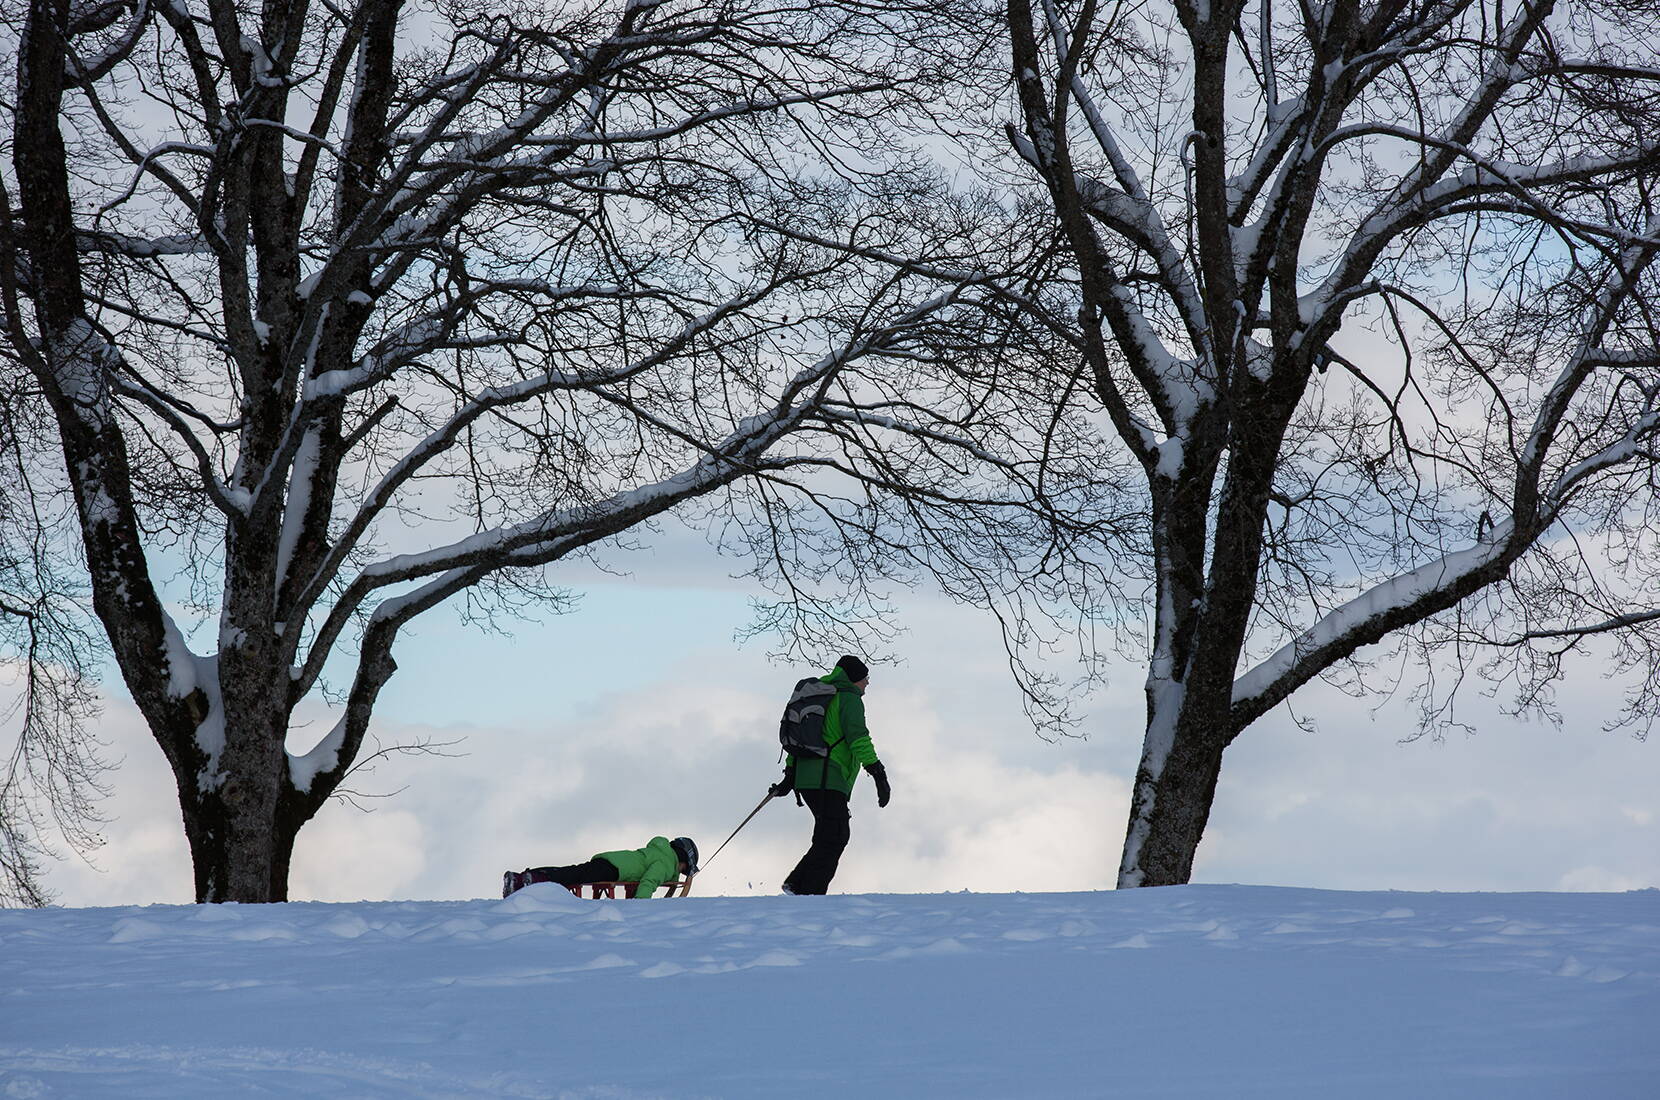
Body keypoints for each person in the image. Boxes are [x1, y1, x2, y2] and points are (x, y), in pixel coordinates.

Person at [770, 655, 889, 895]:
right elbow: (858, 738)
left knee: (828, 834)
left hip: (807, 779)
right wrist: (878, 772)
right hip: (828, 777)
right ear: (854, 679)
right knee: (836, 834)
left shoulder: (821, 696)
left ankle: (799, 884)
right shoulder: (848, 699)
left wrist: (790, 776)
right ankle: (808, 891)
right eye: (865, 678)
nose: (867, 683)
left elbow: (800, 740)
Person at [502, 836, 698, 898]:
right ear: (681, 860)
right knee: (573, 875)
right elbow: (648, 882)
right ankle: (527, 880)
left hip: (612, 861)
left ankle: (528, 877)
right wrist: (641, 907)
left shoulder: (660, 853)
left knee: (573, 872)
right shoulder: (665, 863)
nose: (679, 873)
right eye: (683, 869)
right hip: (615, 870)